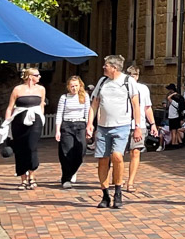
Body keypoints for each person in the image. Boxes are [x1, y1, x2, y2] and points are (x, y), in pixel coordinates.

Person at [87, 54, 142, 210]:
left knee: (117, 156)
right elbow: (94, 103)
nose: (103, 67)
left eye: (106, 65)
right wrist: (90, 123)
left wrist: (137, 126)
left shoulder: (128, 81)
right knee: (103, 160)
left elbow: (136, 105)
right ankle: (105, 194)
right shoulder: (102, 81)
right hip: (103, 126)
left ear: (114, 68)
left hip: (122, 125)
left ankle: (118, 192)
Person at [2, 67, 47, 190]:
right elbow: (10, 107)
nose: (39, 77)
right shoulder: (18, 89)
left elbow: (42, 105)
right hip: (19, 120)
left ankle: (32, 175)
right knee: (20, 148)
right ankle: (23, 178)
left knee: (31, 146)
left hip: (35, 120)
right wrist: (6, 123)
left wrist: (41, 118)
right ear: (30, 76)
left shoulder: (41, 89)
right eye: (37, 75)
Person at [123, 64, 157, 191]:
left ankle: (130, 181)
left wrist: (152, 124)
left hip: (140, 124)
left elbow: (147, 107)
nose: (133, 78)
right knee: (118, 154)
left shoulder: (143, 89)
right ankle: (118, 177)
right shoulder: (122, 88)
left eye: (135, 75)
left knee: (135, 152)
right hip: (123, 124)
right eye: (130, 75)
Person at [54, 76, 90, 187]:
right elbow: (59, 114)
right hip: (67, 125)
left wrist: (89, 127)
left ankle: (72, 171)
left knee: (81, 151)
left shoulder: (85, 96)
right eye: (72, 86)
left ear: (80, 86)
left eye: (76, 86)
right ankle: (66, 178)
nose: (74, 88)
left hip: (80, 125)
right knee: (66, 152)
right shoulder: (64, 98)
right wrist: (57, 130)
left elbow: (88, 112)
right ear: (68, 87)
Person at [163, 84, 184, 148]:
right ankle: (175, 142)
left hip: (173, 117)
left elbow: (168, 98)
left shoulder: (174, 102)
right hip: (175, 117)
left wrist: (173, 94)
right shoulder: (176, 104)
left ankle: (173, 143)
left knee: (173, 131)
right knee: (174, 131)